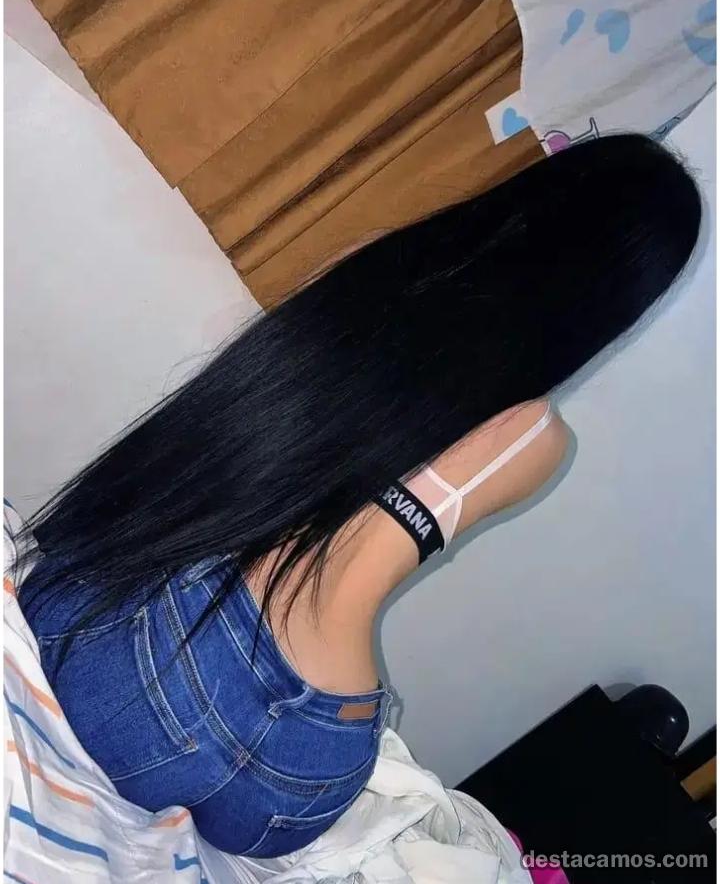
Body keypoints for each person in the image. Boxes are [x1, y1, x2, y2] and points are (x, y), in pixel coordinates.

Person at [17, 134, 701, 857]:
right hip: (280, 768)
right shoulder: (536, 441)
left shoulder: (378, 267)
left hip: (111, 624)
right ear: (621, 298)